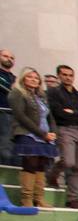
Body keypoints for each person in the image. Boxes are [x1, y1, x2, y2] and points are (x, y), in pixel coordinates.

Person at [8, 67, 59, 207]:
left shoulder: (41, 96)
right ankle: (27, 199)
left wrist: (54, 132)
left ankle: (39, 198)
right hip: (28, 132)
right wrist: (42, 134)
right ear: (23, 78)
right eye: (30, 77)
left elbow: (50, 116)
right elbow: (21, 116)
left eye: (36, 78)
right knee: (30, 164)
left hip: (45, 134)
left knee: (41, 165)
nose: (33, 80)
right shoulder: (17, 93)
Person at [47, 64, 78, 208]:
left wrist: (73, 112)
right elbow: (58, 113)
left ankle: (72, 198)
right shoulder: (53, 92)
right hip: (65, 129)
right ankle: (52, 174)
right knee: (68, 162)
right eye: (65, 75)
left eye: (70, 75)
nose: (68, 78)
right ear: (59, 76)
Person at [0, 48, 14, 165]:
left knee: (10, 145)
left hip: (13, 114)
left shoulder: (15, 79)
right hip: (2, 112)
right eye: (5, 56)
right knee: (4, 145)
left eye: (11, 58)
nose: (9, 59)